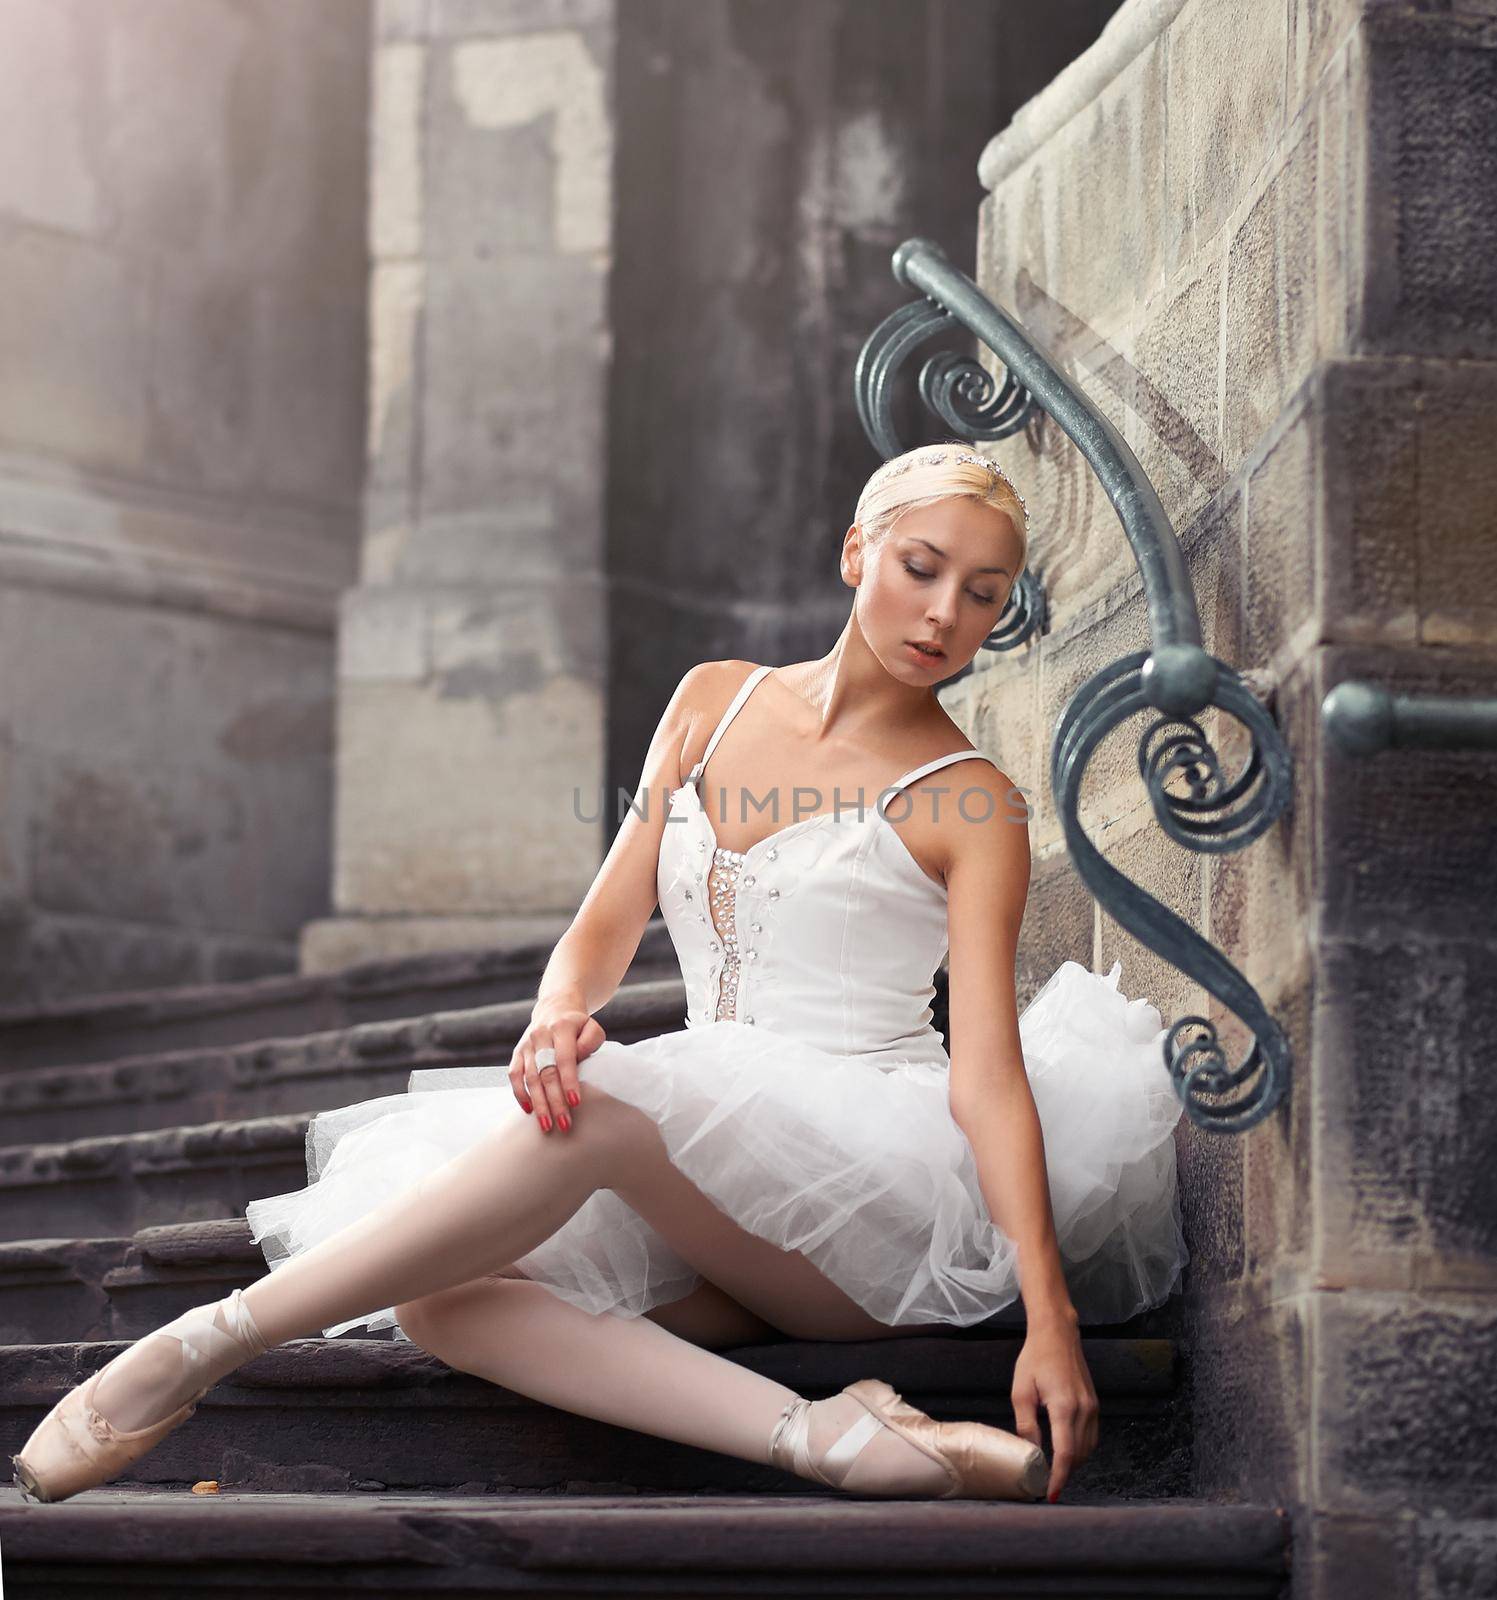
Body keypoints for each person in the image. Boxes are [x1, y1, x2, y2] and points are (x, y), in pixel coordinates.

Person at [12, 443, 1188, 1507]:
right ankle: (834, 1440)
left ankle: (196, 1348)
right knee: (445, 1293)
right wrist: (556, 1016)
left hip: (875, 1198)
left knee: (616, 1101)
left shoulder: (973, 801)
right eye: (921, 567)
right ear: (855, 552)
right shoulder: (712, 701)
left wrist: (1048, 1311)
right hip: (715, 1174)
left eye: (981, 595)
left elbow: (984, 1070)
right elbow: (608, 918)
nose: (943, 613)